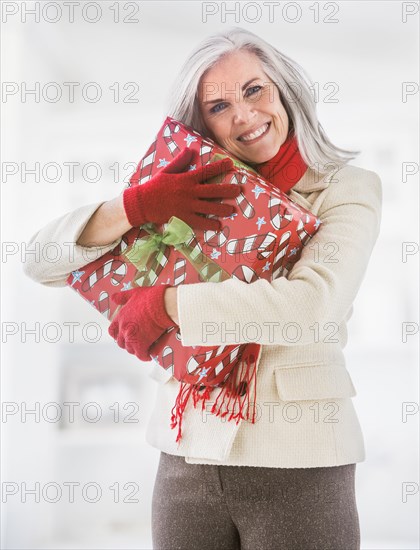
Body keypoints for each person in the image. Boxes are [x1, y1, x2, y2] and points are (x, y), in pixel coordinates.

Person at [23, 27, 382, 550]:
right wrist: (135, 207)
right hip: (185, 454)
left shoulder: (346, 188)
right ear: (201, 122)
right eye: (219, 106)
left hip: (298, 456)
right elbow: (39, 261)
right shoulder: (187, 188)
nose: (244, 115)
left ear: (284, 92)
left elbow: (313, 306)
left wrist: (167, 304)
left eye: (254, 90)